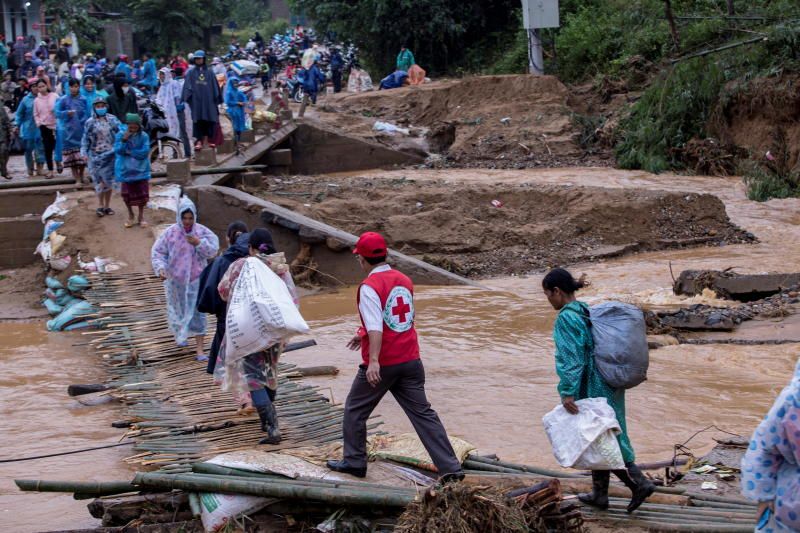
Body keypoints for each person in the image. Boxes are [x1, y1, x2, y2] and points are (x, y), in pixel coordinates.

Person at [326, 232, 465, 481]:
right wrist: (363, 334)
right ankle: (451, 468)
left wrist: (374, 360)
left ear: (362, 259)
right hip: (411, 360)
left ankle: (354, 462)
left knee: (355, 410)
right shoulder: (404, 279)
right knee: (423, 415)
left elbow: (377, 326)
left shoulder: (369, 286)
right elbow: (396, 316)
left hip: (386, 362)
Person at [542, 267, 654, 513]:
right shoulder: (583, 310)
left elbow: (571, 358)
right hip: (607, 380)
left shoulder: (566, 318)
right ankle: (600, 495)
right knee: (600, 435)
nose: (548, 300)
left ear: (557, 291)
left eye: (548, 294)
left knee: (605, 437)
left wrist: (568, 391)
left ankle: (640, 484)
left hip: (591, 383)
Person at [216, 228, 297, 444]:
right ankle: (266, 420)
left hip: (247, 331)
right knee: (269, 370)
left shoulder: (240, 265)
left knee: (253, 378)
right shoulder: (280, 268)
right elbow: (292, 299)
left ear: (250, 248)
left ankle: (272, 428)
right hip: (275, 331)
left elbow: (223, 291)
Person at [151, 194, 219, 359]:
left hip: (197, 280)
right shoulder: (171, 233)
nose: (187, 222)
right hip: (176, 281)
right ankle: (181, 333)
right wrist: (161, 268)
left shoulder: (202, 232)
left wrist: (198, 243)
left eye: (190, 218)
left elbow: (213, 250)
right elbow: (158, 252)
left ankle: (200, 350)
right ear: (179, 217)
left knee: (198, 313)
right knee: (178, 310)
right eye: (184, 218)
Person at [741, 359, 800, 532]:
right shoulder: (793, 399)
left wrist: (763, 496)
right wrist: (764, 497)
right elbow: (763, 448)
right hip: (791, 508)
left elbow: (762, 447)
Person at [197, 221, 249, 374]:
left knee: (223, 347)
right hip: (250, 318)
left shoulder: (221, 261)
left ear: (228, 238)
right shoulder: (256, 260)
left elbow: (210, 289)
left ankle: (224, 377)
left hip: (226, 316)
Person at [81, 98, 121, 216]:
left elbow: (121, 133)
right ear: (94, 108)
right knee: (99, 181)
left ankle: (107, 206)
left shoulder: (112, 120)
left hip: (110, 155)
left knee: (107, 181)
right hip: (95, 156)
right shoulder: (90, 122)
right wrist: (83, 152)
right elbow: (85, 139)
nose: (100, 108)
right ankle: (100, 205)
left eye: (102, 106)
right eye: (98, 106)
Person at [114, 113, 151, 228]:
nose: (133, 129)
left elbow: (145, 152)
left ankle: (141, 216)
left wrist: (130, 152)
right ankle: (130, 215)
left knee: (142, 195)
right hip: (126, 170)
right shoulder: (121, 135)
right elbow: (118, 151)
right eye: (131, 127)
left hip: (141, 170)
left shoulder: (144, 136)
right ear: (127, 125)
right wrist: (124, 141)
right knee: (127, 195)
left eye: (135, 127)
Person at [182, 50, 222, 150]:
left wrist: (216, 99)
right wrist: (188, 97)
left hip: (208, 102)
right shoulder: (190, 73)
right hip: (197, 102)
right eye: (196, 59)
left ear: (204, 59)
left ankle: (209, 140)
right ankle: (199, 141)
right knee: (198, 121)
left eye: (200, 58)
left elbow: (215, 87)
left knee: (209, 120)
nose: (198, 60)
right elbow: (187, 86)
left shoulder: (210, 72)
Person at [55, 78, 88, 186]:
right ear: (68, 87)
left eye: (76, 86)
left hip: (81, 132)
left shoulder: (83, 99)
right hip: (68, 132)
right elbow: (57, 112)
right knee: (72, 158)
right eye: (72, 86)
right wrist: (66, 113)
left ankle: (82, 175)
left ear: (79, 87)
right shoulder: (63, 100)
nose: (74, 89)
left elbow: (87, 114)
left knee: (82, 157)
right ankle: (77, 178)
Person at [15, 78, 44, 176]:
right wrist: (17, 125)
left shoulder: (43, 98)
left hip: (41, 127)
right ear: (31, 88)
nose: (36, 88)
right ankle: (30, 168)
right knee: (28, 149)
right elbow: (19, 114)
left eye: (38, 86)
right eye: (34, 86)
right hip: (28, 128)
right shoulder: (25, 100)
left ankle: (40, 168)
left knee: (40, 148)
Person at [33, 79, 58, 177]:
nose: (42, 88)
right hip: (44, 127)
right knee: (47, 149)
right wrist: (39, 123)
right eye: (39, 87)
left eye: (43, 86)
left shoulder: (55, 96)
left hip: (56, 126)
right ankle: (50, 170)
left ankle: (59, 162)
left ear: (47, 86)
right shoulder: (36, 100)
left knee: (57, 147)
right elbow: (35, 114)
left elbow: (60, 107)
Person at [171, 67, 193, 158]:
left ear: (174, 74)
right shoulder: (187, 82)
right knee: (185, 132)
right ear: (183, 73)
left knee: (175, 132)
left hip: (175, 110)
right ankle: (187, 153)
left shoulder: (172, 84)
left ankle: (175, 153)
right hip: (186, 109)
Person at [224, 77, 247, 149]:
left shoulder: (237, 91)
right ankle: (235, 143)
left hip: (239, 111)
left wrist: (243, 101)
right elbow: (227, 102)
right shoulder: (229, 92)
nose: (236, 84)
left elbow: (243, 97)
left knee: (239, 127)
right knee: (234, 127)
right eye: (234, 83)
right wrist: (237, 103)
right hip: (233, 111)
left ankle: (239, 142)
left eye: (236, 83)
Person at [0, 103, 10, 178]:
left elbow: (5, 117)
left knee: (4, 152)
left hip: (2, 134)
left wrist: (9, 128)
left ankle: (4, 171)